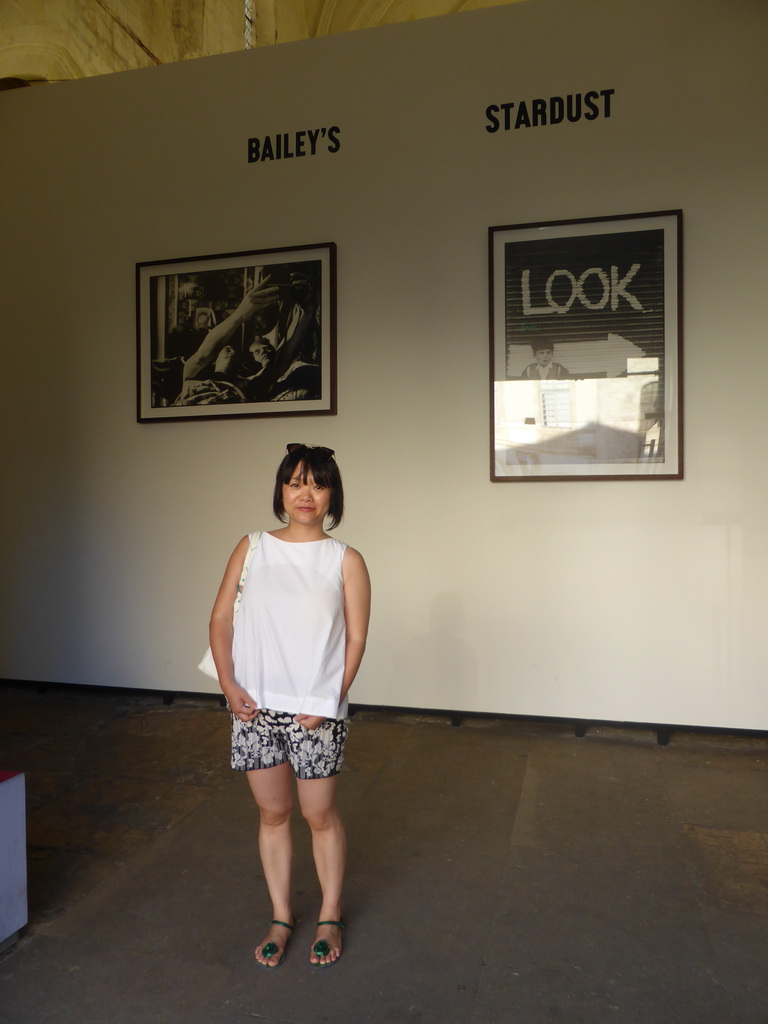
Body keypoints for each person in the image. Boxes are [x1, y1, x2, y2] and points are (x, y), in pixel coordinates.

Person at [208, 443, 371, 970]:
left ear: (332, 495)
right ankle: (281, 915)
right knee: (273, 813)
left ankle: (329, 912)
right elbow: (221, 620)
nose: (306, 493)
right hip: (254, 707)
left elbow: (356, 640)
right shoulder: (252, 546)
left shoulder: (346, 560)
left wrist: (330, 701)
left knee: (318, 814)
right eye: (296, 482)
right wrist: (229, 685)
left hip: (314, 712)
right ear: (281, 490)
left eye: (317, 483)